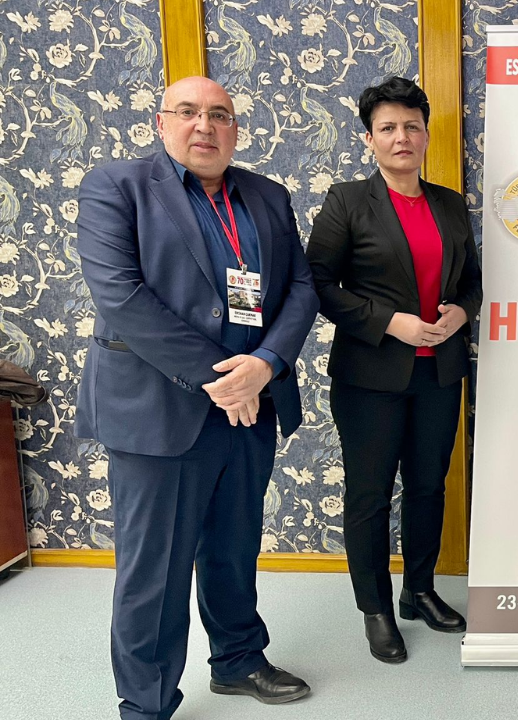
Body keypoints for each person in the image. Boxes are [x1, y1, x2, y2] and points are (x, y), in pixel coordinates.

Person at [76, 75, 319, 720]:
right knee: (154, 569)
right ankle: (147, 704)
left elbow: (301, 287)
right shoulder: (116, 187)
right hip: (159, 411)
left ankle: (238, 661)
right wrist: (224, 378)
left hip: (251, 406)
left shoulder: (267, 195)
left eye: (220, 114)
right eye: (188, 112)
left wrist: (266, 364)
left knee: (234, 548)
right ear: (162, 123)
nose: (204, 126)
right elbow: (122, 297)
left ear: (235, 129)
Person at [306, 76, 481, 664]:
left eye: (411, 126)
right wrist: (389, 322)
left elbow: (473, 282)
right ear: (370, 139)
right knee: (371, 494)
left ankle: (418, 590)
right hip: (370, 379)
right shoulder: (347, 202)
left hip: (440, 373)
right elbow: (318, 284)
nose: (401, 136)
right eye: (388, 128)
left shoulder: (449, 204)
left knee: (429, 486)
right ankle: (376, 610)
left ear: (426, 135)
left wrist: (463, 312)